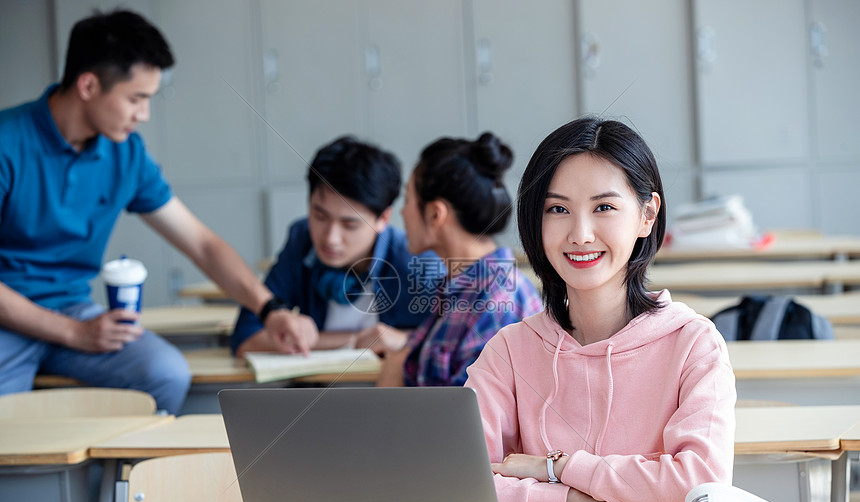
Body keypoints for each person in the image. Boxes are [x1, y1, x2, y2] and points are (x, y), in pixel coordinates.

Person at [0, 10, 318, 415]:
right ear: (88, 85)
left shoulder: (126, 153)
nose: (144, 114)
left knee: (165, 374)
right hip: (11, 320)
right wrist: (73, 332)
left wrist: (269, 310)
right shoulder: (7, 144)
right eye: (136, 98)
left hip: (73, 309)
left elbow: (202, 244)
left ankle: (117, 479)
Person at [464, 118, 736, 502]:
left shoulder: (693, 344)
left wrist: (555, 467)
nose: (581, 234)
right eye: (558, 209)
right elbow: (463, 483)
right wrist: (574, 499)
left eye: (604, 207)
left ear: (647, 215)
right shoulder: (509, 351)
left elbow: (697, 486)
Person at [231, 136, 442, 358]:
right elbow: (246, 337)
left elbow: (452, 348)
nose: (330, 238)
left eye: (350, 225)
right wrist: (354, 341)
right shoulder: (302, 241)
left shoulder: (416, 262)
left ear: (384, 218)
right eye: (319, 216)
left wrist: (404, 339)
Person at [377, 132, 543, 387]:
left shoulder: (496, 300)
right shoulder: (461, 290)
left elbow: (462, 419)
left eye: (408, 199)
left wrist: (396, 364)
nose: (403, 211)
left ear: (435, 214)